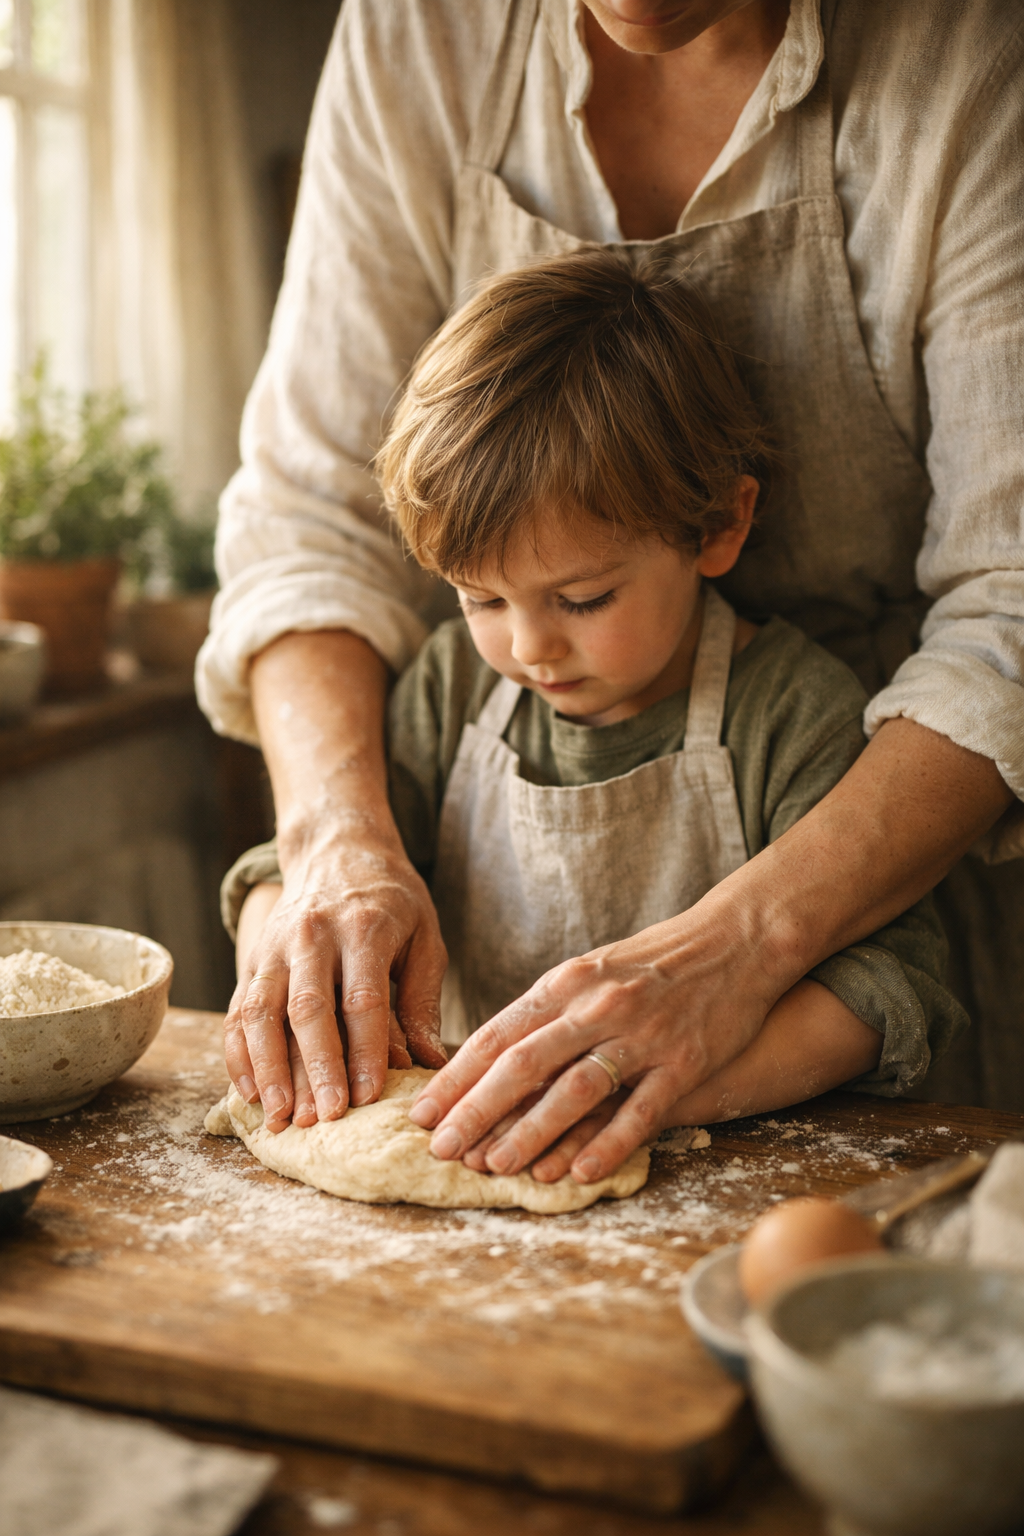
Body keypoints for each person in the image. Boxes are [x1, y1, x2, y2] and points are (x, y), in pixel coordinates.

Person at [197, 0, 1023, 1175]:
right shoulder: (450, 688)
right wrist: (314, 886)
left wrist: (663, 1084)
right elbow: (306, 524)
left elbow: (891, 976)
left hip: (767, 1156)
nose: (526, 645)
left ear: (718, 525)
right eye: (480, 598)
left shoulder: (799, 713)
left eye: (579, 598)